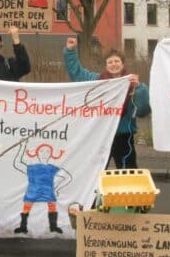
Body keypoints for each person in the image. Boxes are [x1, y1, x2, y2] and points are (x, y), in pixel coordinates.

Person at [63, 39, 150, 169]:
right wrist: (70, 51)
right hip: (100, 134)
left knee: (128, 172)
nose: (113, 64)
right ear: (106, 65)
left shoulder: (135, 84)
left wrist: (139, 90)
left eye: (116, 61)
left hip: (123, 136)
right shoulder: (98, 81)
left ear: (122, 63)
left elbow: (143, 111)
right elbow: (77, 73)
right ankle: (96, 190)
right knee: (95, 172)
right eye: (110, 62)